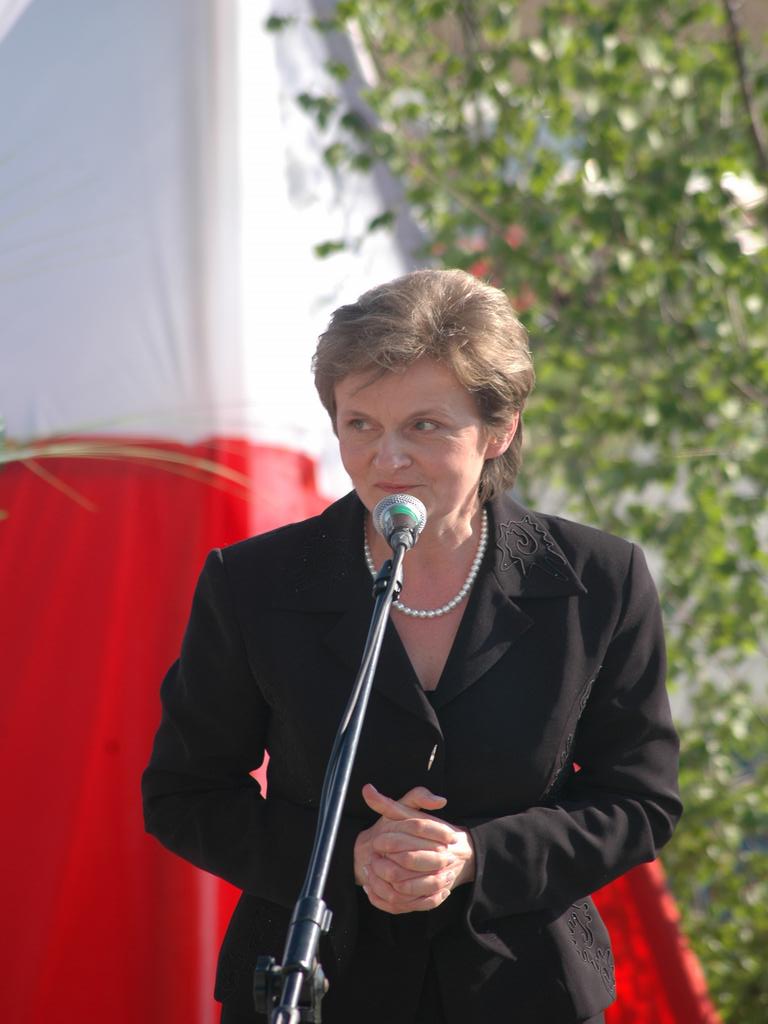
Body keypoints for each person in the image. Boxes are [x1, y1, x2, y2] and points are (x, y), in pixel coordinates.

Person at [142, 269, 682, 1023]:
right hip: (314, 984)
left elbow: (639, 799)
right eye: (360, 424)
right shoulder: (253, 582)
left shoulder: (598, 580)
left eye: (425, 425)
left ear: (500, 429)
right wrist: (348, 859)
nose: (386, 457)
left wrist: (476, 858)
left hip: (525, 989)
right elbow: (185, 794)